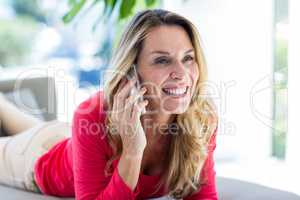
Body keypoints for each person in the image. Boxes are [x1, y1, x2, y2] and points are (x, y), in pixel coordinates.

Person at [0, 9, 218, 200]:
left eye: (188, 58)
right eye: (162, 60)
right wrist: (133, 150)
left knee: (26, 122)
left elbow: (203, 196)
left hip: (67, 138)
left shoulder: (201, 118)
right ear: (131, 71)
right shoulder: (93, 116)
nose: (182, 73)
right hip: (35, 159)